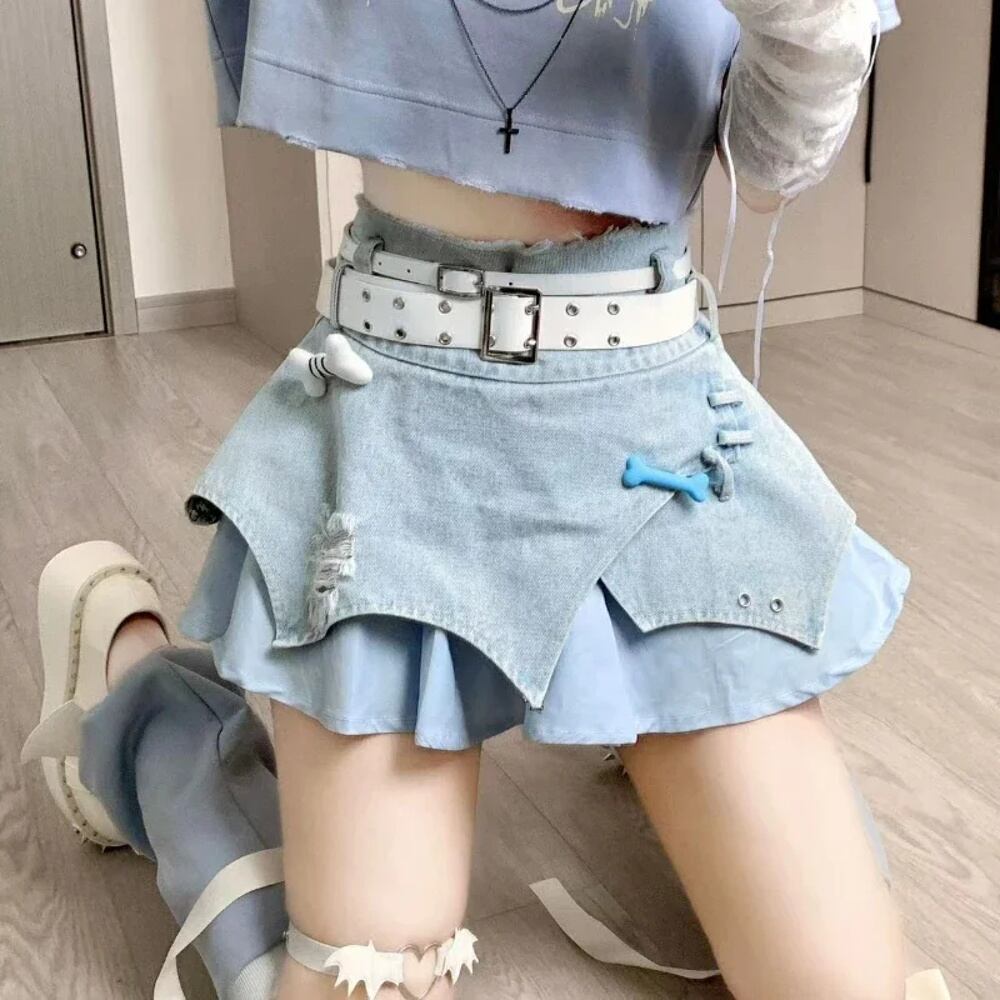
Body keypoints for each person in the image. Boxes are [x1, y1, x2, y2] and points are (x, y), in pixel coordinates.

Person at [22, 2, 953, 998]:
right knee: (366, 974)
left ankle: (627, 699)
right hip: (406, 409)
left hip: (652, 424)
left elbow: (771, 168)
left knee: (842, 984)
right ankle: (144, 703)